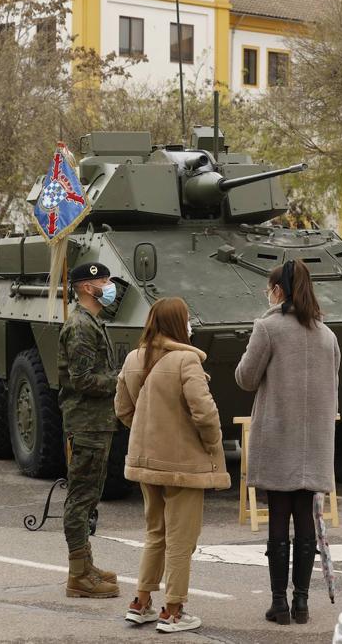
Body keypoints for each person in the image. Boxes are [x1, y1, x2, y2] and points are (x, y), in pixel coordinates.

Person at [115, 297, 230, 633]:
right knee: (182, 539)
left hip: (145, 461)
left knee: (155, 533)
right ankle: (174, 610)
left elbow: (122, 409)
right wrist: (211, 444)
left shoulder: (134, 357)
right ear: (180, 324)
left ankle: (141, 601)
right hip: (183, 465)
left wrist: (147, 431)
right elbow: (204, 412)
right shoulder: (186, 361)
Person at [235, 259, 340, 625]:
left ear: (278, 290)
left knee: (278, 516)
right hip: (315, 442)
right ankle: (302, 603)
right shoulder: (328, 336)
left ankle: (278, 603)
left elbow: (246, 378)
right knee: (307, 519)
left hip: (279, 436)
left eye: (270, 288)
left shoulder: (268, 327)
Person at [58, 261, 120, 598]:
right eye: (104, 281)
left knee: (89, 495)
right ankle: (77, 575)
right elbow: (81, 380)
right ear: (86, 287)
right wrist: (120, 380)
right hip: (87, 424)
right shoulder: (81, 327)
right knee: (81, 498)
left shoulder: (92, 322)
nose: (108, 286)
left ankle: (86, 565)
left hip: (96, 423)